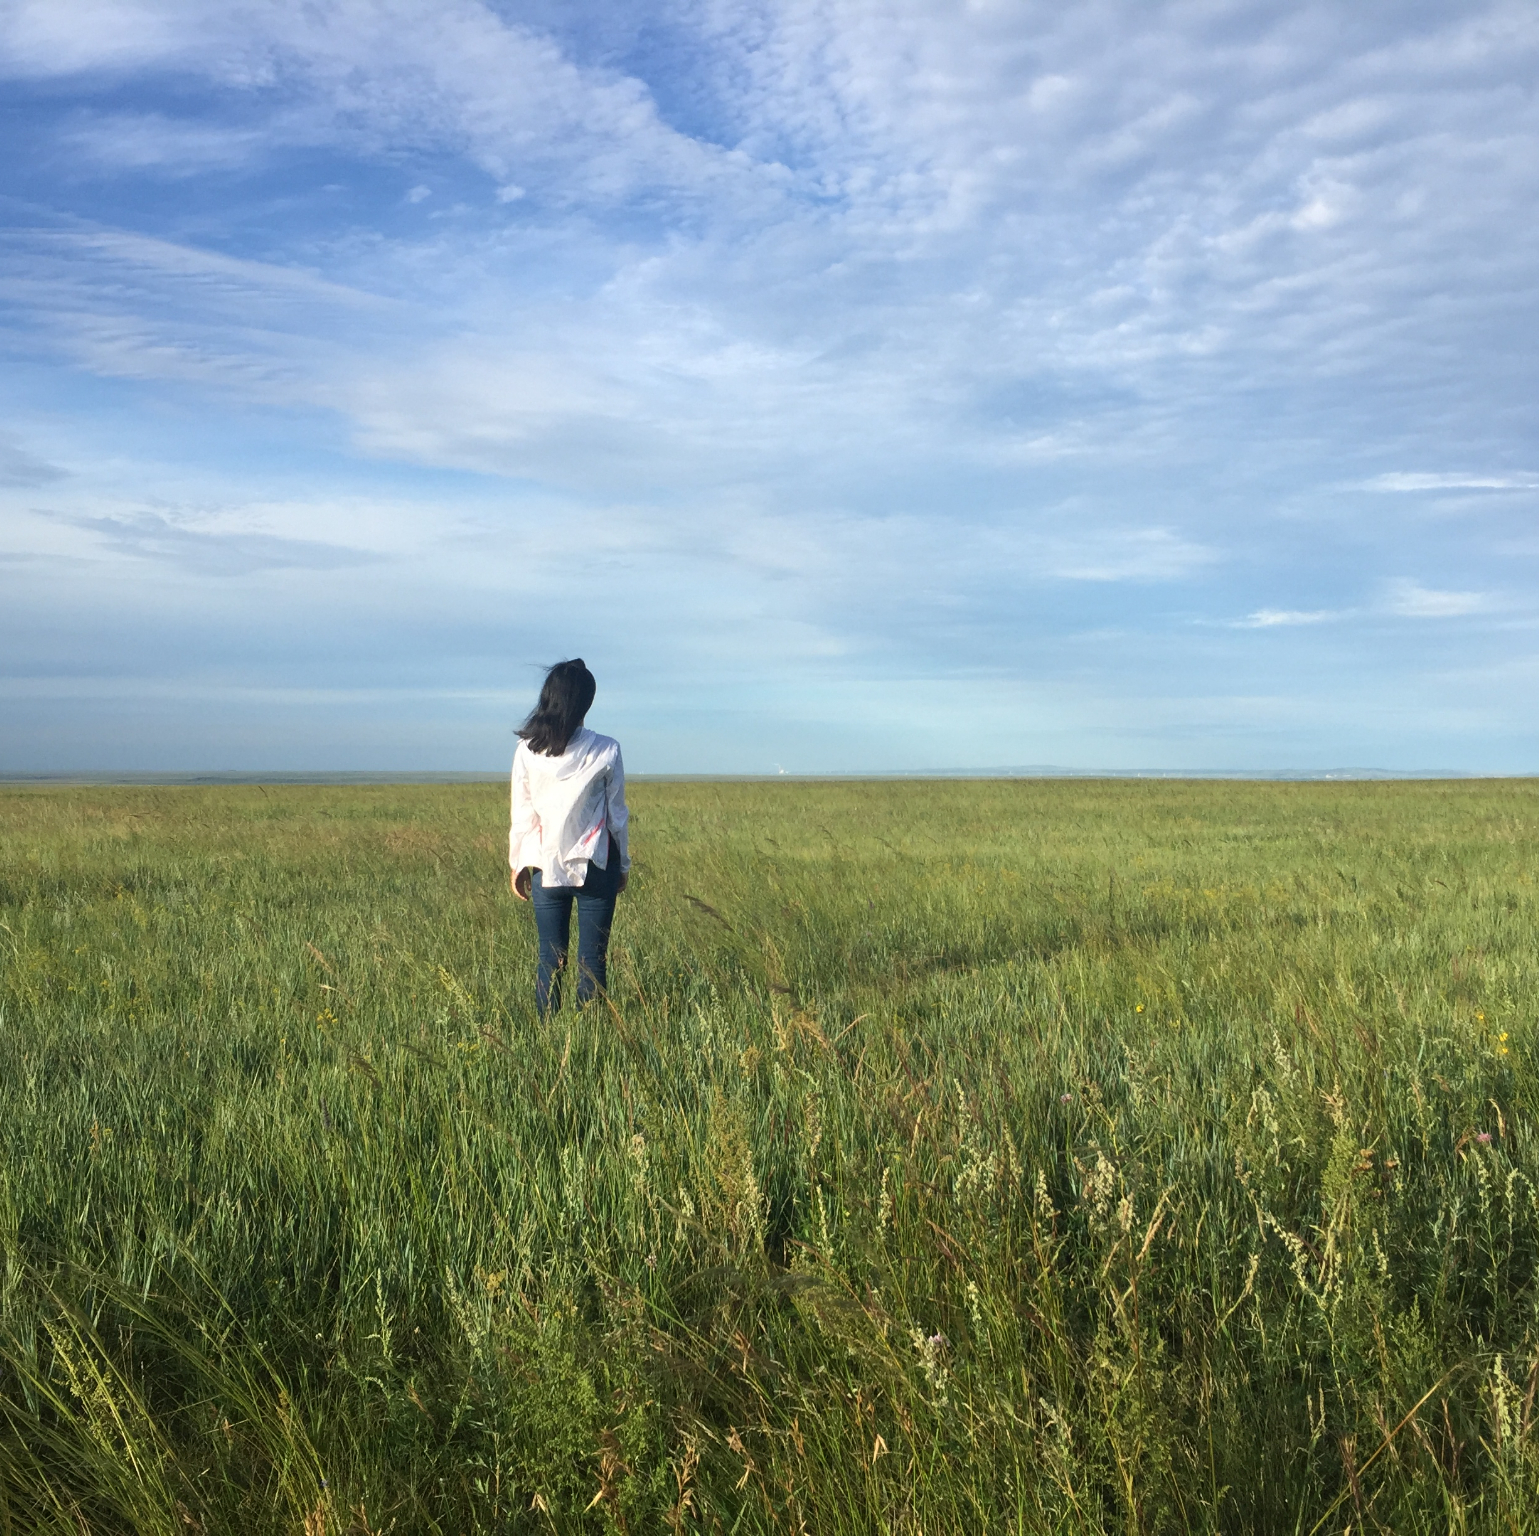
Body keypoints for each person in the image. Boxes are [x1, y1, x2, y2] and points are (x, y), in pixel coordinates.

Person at [509, 659, 630, 1014]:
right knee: (593, 959)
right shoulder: (607, 749)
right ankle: (590, 1039)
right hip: (597, 864)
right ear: (584, 703)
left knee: (549, 957)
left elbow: (523, 814)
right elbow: (616, 816)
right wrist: (622, 864)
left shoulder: (527, 750)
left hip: (546, 867)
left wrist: (519, 864)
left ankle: (547, 1035)